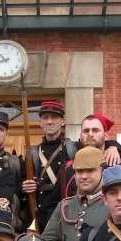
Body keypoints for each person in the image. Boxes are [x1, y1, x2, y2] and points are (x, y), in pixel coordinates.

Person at [41, 146, 106, 241]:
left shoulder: (111, 205)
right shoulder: (65, 205)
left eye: (90, 170)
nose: (84, 176)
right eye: (79, 171)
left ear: (101, 171)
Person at [21, 99, 77, 233]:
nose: (50, 121)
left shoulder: (73, 148)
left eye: (54, 117)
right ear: (40, 123)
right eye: (45, 118)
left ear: (62, 122)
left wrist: (114, 147)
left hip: (66, 213)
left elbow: (97, 144)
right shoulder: (33, 153)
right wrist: (24, 186)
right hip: (40, 215)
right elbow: (21, 185)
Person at [0, 110, 23, 222]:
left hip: (6, 220)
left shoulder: (16, 162)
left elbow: (20, 197)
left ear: (6, 133)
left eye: (0, 129)